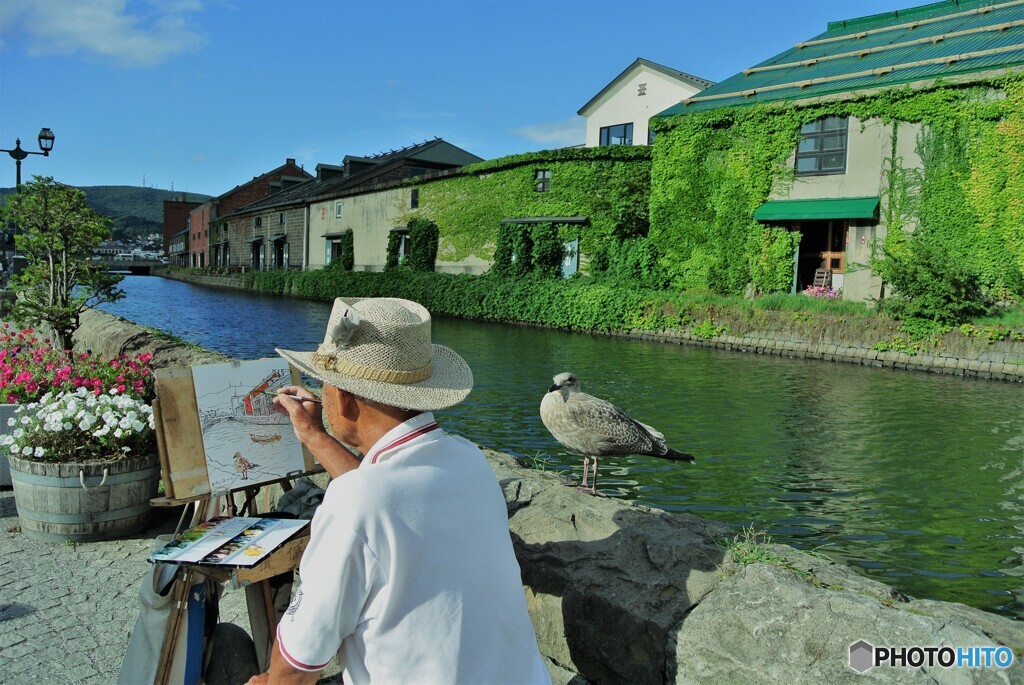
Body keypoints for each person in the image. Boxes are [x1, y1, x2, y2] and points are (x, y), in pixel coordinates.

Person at [246, 297, 549, 685]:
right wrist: (313, 434)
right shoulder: (469, 460)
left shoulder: (357, 502)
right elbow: (384, 492)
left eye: (324, 385)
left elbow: (296, 665)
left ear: (341, 397)